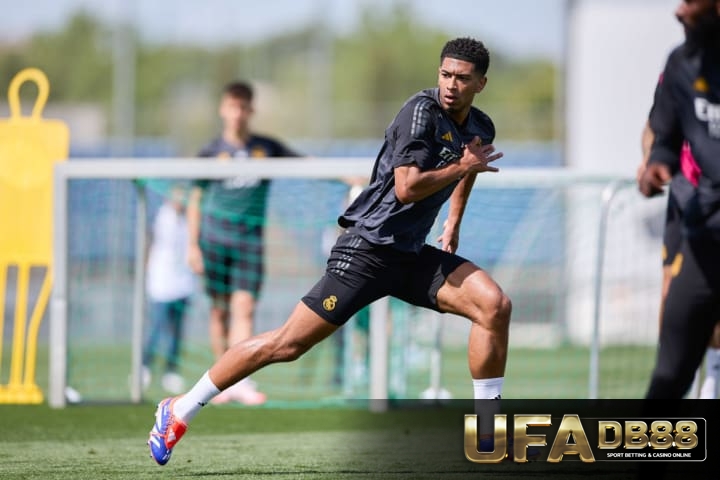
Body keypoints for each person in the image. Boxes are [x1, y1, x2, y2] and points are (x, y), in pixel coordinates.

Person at [149, 37, 512, 466]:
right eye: (445, 74)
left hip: (410, 255)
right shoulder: (419, 113)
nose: (451, 84)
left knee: (494, 305)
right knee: (285, 346)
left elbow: (469, 167)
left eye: (462, 78)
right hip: (367, 250)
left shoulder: (480, 126)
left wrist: (453, 222)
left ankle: (488, 436)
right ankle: (181, 408)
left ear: (481, 84)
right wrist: (462, 167)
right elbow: (407, 187)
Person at [186, 81, 299, 405]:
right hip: (214, 240)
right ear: (223, 109)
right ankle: (218, 382)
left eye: (243, 107)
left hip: (250, 241)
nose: (237, 113)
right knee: (219, 311)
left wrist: (350, 177)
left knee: (245, 308)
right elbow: (195, 199)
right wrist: (192, 246)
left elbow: (305, 163)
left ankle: (241, 380)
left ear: (250, 110)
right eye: (232, 106)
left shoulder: (266, 148)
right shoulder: (210, 153)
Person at [638, 0, 720, 400]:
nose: (679, 11)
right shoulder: (682, 65)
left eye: (692, 2)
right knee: (669, 371)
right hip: (705, 226)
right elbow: (662, 135)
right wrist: (656, 164)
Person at [142, 184, 196, 395]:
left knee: (177, 331)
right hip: (162, 283)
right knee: (156, 328)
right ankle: (144, 367)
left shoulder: (188, 220)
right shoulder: (165, 218)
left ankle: (171, 372)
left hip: (183, 284)